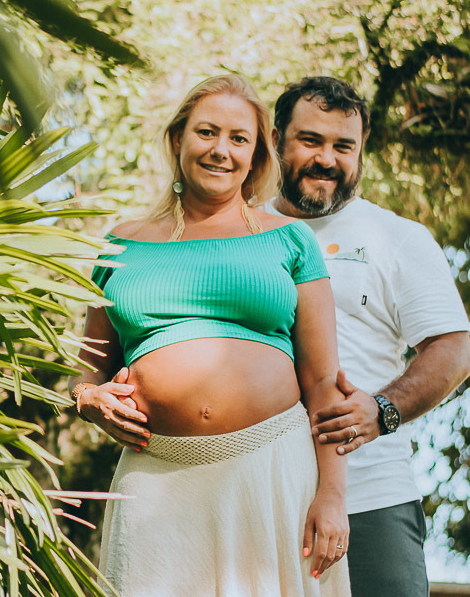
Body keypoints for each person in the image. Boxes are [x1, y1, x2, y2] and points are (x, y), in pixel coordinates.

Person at [69, 74, 351, 596]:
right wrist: (89, 398)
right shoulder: (119, 245)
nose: (221, 150)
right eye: (206, 132)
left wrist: (332, 496)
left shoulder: (290, 239)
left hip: (270, 473)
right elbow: (88, 371)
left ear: (254, 157)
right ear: (178, 140)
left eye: (238, 138)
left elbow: (322, 383)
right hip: (156, 481)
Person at [267, 77, 470, 596]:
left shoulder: (396, 236)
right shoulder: (240, 231)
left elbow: (454, 348)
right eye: (310, 141)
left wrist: (382, 409)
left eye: (344, 146)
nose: (327, 159)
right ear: (275, 141)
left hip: (371, 496)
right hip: (254, 493)